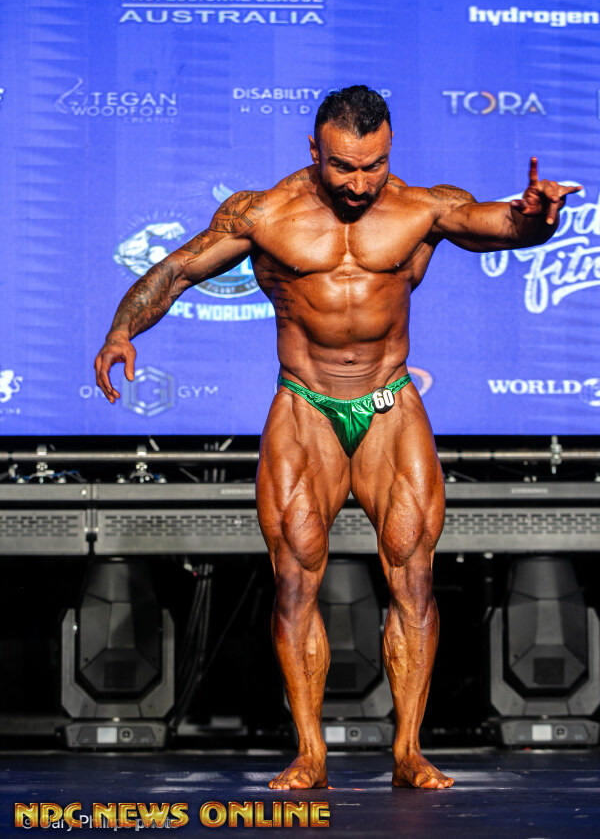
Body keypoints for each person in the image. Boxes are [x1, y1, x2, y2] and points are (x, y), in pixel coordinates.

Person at [95, 85, 580, 790]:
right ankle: (311, 754)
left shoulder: (422, 208)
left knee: (413, 578)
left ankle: (408, 752)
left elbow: (501, 226)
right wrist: (121, 330)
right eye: (343, 167)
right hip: (306, 406)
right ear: (314, 151)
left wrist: (538, 217)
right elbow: (175, 270)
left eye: (372, 166)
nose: (358, 184)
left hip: (389, 404)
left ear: (390, 150)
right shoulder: (262, 214)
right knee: (296, 581)